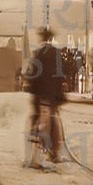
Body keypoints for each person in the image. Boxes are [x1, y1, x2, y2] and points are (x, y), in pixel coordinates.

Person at [24, 28, 67, 168]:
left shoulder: (38, 54)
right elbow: (61, 76)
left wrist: (31, 88)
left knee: (38, 124)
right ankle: (54, 153)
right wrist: (60, 95)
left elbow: (33, 75)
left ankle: (34, 157)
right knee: (54, 122)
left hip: (41, 95)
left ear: (43, 39)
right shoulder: (57, 53)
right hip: (53, 95)